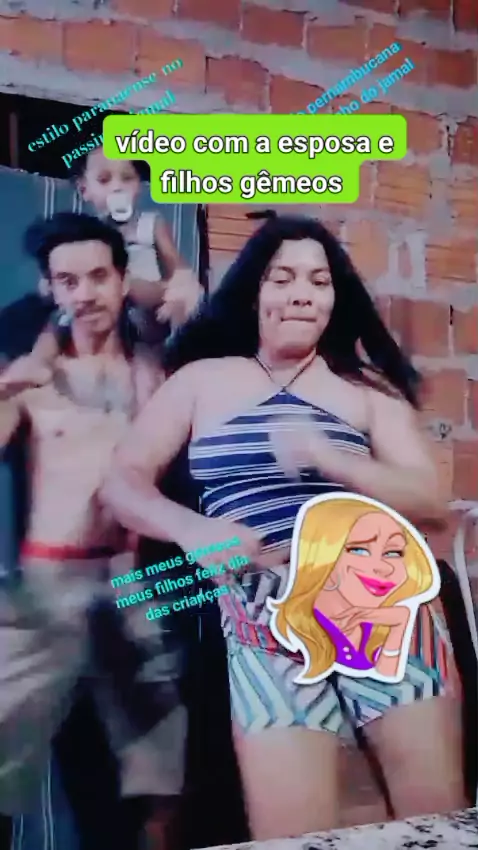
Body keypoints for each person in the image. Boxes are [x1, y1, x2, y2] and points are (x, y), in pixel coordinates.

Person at [101, 213, 465, 841]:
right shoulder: (202, 381)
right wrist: (194, 531)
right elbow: (121, 482)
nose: (302, 293)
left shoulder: (366, 392)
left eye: (319, 282)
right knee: (292, 835)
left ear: (333, 301)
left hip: (381, 607)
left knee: (433, 827)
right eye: (284, 278)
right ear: (255, 293)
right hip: (259, 611)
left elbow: (430, 501)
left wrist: (333, 459)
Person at [0, 212, 187, 850]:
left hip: (130, 589)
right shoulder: (33, 378)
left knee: (151, 794)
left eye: (98, 277)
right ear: (51, 288)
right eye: (68, 281)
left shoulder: (155, 375)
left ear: (121, 280)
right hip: (45, 590)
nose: (84, 293)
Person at [3, 147, 201, 386]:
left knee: (144, 353)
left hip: (144, 301)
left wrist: (177, 298)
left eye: (127, 178)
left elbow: (179, 270)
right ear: (84, 189)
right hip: (102, 310)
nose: (117, 188)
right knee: (59, 317)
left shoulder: (151, 224)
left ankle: (151, 383)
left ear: (139, 186)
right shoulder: (84, 231)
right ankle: (39, 360)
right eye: (104, 180)